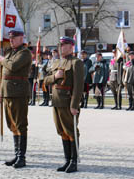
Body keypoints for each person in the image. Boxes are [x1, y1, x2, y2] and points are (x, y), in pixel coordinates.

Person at [44, 36, 84, 173]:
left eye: (64, 45)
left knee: (71, 131)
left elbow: (79, 86)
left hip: (68, 102)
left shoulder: (76, 63)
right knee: (61, 131)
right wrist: (55, 77)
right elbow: (45, 80)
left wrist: (74, 105)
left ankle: (74, 161)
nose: (61, 48)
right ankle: (67, 160)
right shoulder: (57, 63)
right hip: (56, 101)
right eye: (60, 45)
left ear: (71, 46)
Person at [0, 29, 32, 168]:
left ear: (21, 38)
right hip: (8, 92)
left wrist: (2, 60)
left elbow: (12, 66)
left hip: (19, 92)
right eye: (10, 38)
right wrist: (1, 91)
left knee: (20, 124)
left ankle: (21, 157)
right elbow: (3, 75)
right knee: (12, 124)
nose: (11, 40)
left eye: (14, 37)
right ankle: (16, 154)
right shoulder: (10, 53)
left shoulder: (25, 53)